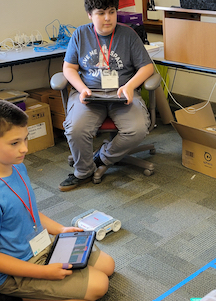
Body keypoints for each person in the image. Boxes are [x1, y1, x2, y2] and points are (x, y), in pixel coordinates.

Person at [0, 100, 115, 301]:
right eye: (15, 143)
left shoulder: (16, 166)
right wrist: (45, 273)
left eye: (25, 139)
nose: (24, 149)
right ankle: (15, 297)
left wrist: (61, 230)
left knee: (108, 266)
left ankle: (46, 276)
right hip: (14, 271)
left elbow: (29, 212)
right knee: (100, 285)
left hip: (41, 245)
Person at [59, 0, 154, 191]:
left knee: (137, 128)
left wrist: (129, 86)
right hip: (90, 94)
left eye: (111, 12)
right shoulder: (80, 34)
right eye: (101, 13)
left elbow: (147, 66)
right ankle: (83, 172)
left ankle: (101, 156)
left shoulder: (128, 34)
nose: (108, 18)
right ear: (90, 15)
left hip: (121, 93)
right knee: (75, 129)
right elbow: (68, 68)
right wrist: (81, 87)